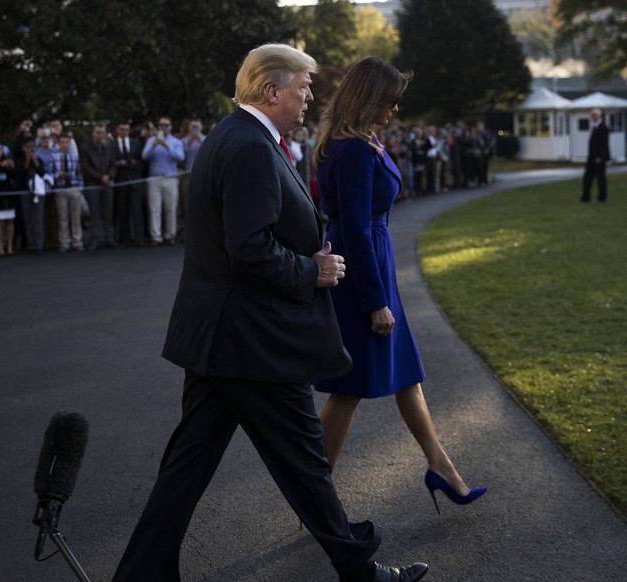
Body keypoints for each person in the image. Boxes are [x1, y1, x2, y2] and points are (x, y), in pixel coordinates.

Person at [112, 44, 428, 582]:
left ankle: (141, 573)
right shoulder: (252, 147)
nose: (310, 96)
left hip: (220, 337)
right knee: (304, 460)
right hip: (252, 338)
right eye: (303, 86)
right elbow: (251, 249)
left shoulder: (234, 135)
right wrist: (315, 270)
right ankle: (359, 568)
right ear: (271, 91)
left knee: (187, 466)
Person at [312, 57, 486, 517]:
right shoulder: (351, 150)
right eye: (389, 101)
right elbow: (354, 229)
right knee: (349, 388)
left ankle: (442, 467)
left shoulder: (360, 141)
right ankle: (315, 494)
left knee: (406, 374)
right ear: (369, 97)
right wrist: (375, 302)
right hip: (363, 272)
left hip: (374, 264)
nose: (394, 109)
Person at [141, 116, 184, 246]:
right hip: (154, 178)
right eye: (161, 125)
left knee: (171, 208)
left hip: (170, 178)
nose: (163, 128)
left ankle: (170, 235)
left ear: (170, 127)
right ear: (158, 126)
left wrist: (167, 146)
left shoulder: (176, 142)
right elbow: (144, 156)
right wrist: (154, 144)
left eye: (166, 125)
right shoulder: (151, 140)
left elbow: (181, 157)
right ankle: (156, 236)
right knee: (154, 208)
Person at [80, 123, 117, 250]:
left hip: (107, 183)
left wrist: (109, 176)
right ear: (93, 133)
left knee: (108, 212)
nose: (100, 135)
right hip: (94, 184)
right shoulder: (86, 147)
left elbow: (113, 164)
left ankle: (110, 237)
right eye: (98, 132)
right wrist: (100, 177)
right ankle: (95, 238)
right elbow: (86, 167)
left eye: (102, 132)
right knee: (95, 213)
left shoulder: (109, 146)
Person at [50, 133, 85, 252]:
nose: (64, 144)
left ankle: (77, 241)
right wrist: (58, 176)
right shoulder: (54, 157)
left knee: (76, 217)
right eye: (62, 142)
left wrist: (80, 188)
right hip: (60, 189)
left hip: (73, 188)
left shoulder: (75, 157)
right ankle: (64, 242)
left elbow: (80, 173)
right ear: (58, 144)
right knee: (63, 217)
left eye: (66, 142)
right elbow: (50, 174)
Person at [112, 121, 145, 246]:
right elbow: (110, 161)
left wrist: (134, 163)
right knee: (122, 210)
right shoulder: (112, 145)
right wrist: (118, 163)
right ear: (117, 130)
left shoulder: (136, 144)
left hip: (135, 180)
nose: (124, 132)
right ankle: (125, 237)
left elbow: (143, 161)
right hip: (120, 181)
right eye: (122, 129)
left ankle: (139, 237)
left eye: (126, 129)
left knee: (137, 210)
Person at [15, 136, 47, 253]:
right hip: (25, 191)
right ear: (23, 148)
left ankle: (39, 243)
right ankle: (30, 242)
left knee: (38, 218)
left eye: (33, 147)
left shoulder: (39, 160)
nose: (31, 149)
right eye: (28, 147)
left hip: (38, 192)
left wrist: (35, 162)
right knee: (27, 218)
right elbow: (19, 176)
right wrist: (27, 162)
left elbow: (43, 174)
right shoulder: (19, 161)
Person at [581, 107, 610, 203]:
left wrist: (600, 157)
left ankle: (602, 198)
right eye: (592, 115)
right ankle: (586, 197)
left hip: (599, 158)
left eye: (594, 115)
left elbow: (603, 144)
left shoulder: (603, 127)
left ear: (598, 116)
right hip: (591, 158)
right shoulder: (594, 127)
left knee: (600, 178)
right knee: (587, 178)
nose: (592, 117)